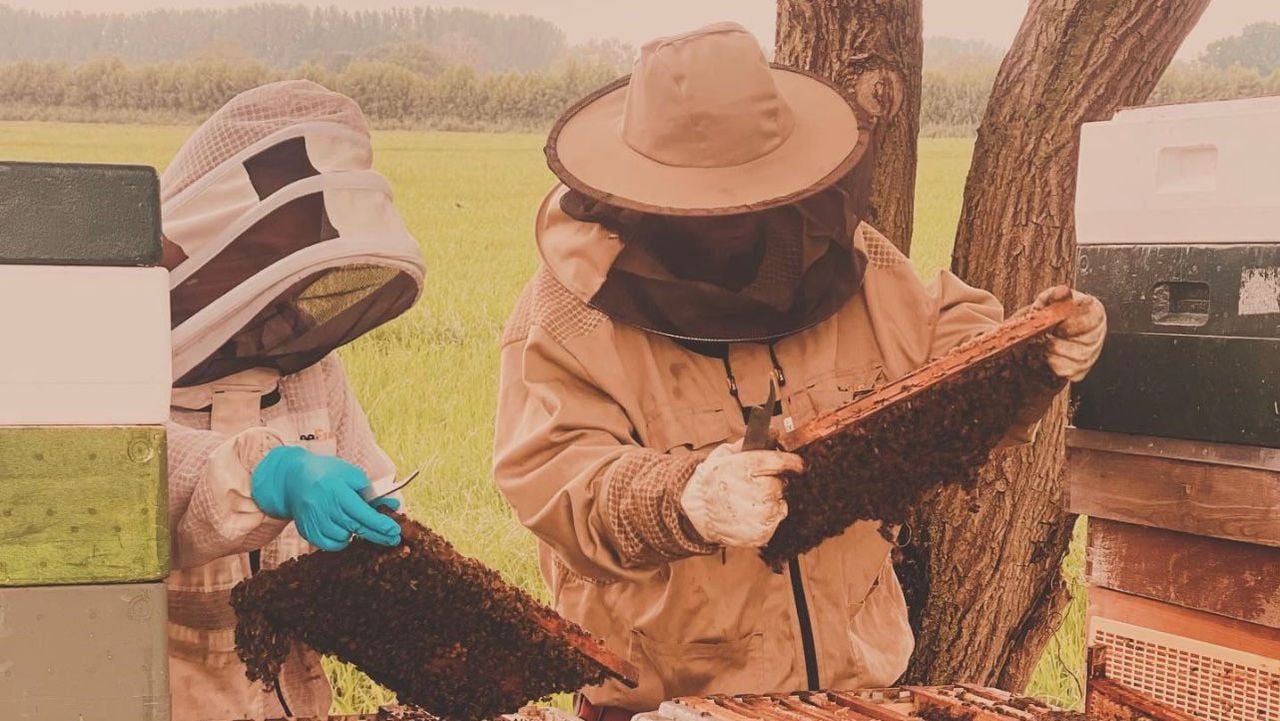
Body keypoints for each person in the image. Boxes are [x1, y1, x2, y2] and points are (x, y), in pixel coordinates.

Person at [492, 22, 1107, 717]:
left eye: (743, 193)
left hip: (859, 690)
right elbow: (556, 475)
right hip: (668, 704)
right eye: (701, 198)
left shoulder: (849, 256)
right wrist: (684, 498)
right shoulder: (567, 312)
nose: (724, 216)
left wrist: (1032, 355)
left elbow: (945, 338)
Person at [160, 80, 426, 721]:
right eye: (269, 255)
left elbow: (362, 478)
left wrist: (377, 526)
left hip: (294, 701)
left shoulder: (313, 371)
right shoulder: (103, 363)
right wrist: (270, 472)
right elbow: (140, 475)